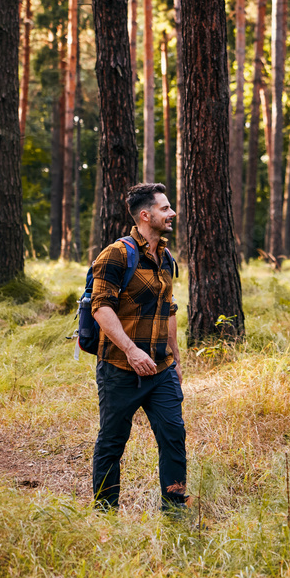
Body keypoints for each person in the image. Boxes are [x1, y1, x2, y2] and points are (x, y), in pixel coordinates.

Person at [90, 183, 187, 512]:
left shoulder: (166, 256)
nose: (171, 213)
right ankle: (105, 515)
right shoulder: (116, 254)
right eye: (165, 208)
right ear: (146, 216)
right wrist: (132, 350)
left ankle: (174, 516)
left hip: (162, 371)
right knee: (112, 443)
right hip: (120, 370)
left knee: (174, 438)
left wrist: (175, 358)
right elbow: (101, 307)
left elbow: (168, 308)